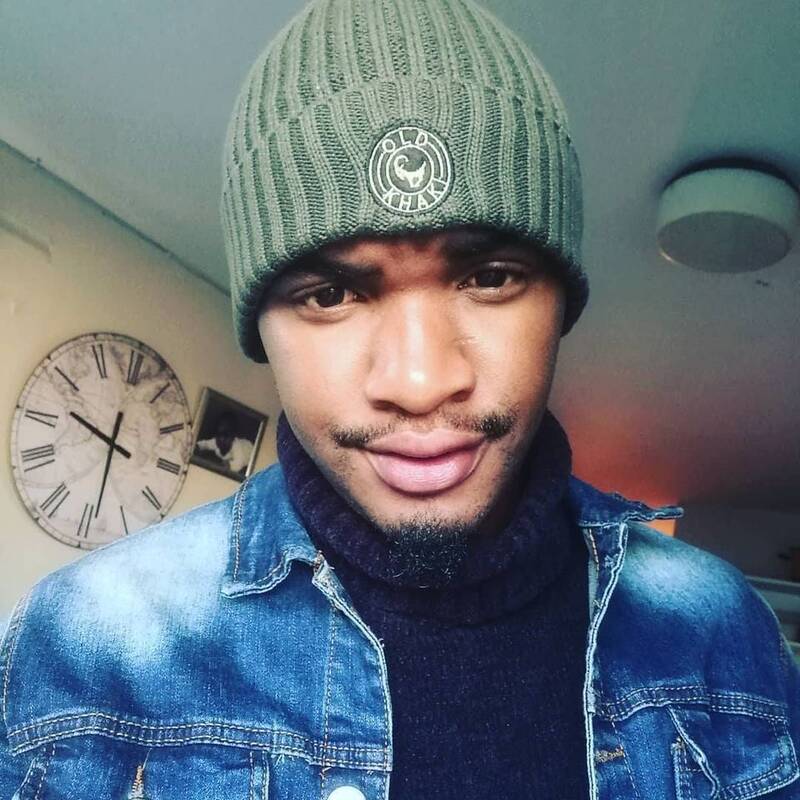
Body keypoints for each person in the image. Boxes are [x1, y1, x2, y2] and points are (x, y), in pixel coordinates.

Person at [1, 0, 798, 798]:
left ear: (562, 302)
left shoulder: (720, 632)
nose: (420, 384)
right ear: (260, 327)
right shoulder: (86, 651)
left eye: (490, 277)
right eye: (329, 294)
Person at [195, 411, 254, 475]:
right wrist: (197, 446)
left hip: (251, 456)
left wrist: (229, 465)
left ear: (233, 436)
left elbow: (239, 463)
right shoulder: (216, 442)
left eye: (226, 436)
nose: (221, 439)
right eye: (219, 435)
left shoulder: (237, 446)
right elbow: (205, 444)